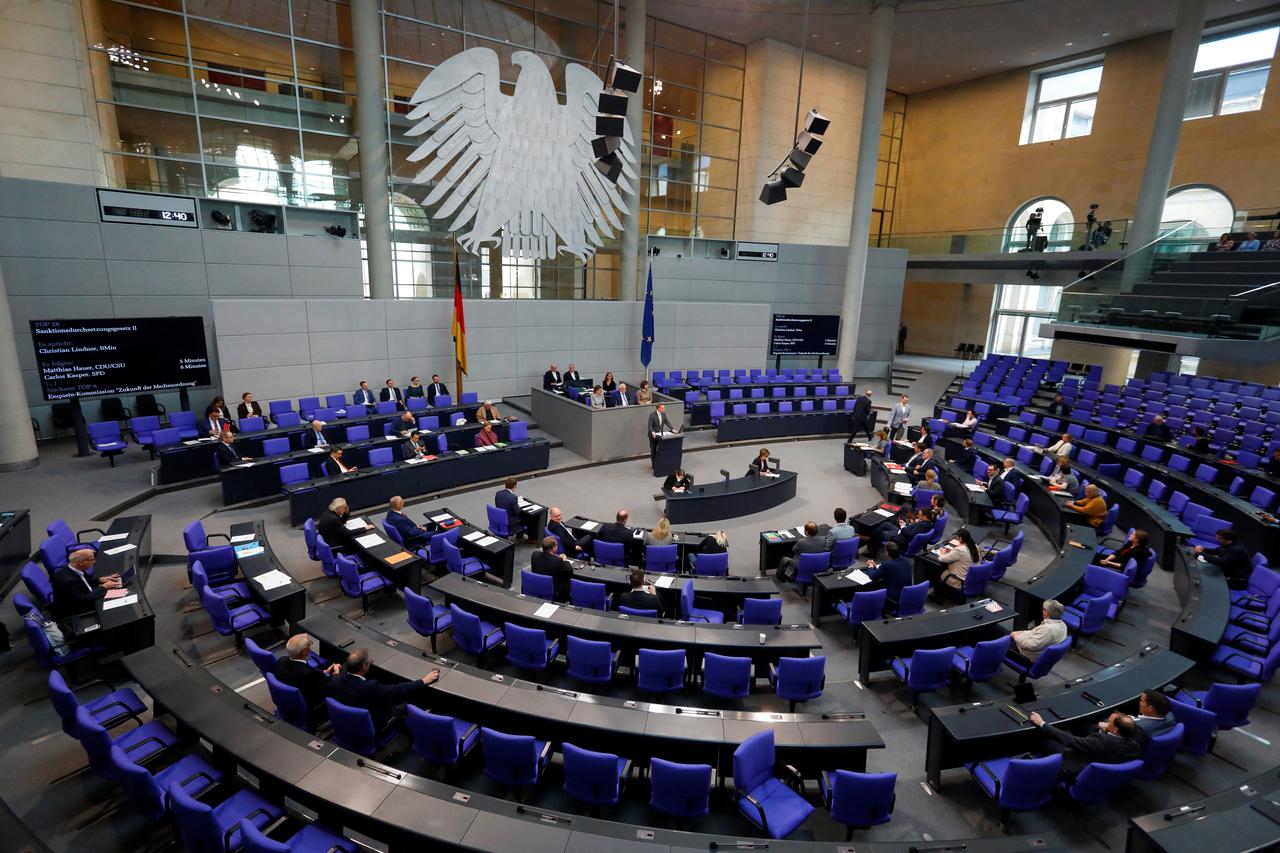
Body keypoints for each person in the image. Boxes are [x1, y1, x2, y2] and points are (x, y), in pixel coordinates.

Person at [326, 648, 438, 732]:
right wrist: (423, 681)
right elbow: (396, 691)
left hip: (348, 721)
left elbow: (343, 669)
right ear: (364, 667)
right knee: (410, 700)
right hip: (375, 722)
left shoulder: (335, 680)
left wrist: (336, 672)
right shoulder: (370, 687)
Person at [1028, 710, 1143, 781]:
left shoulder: (1102, 741)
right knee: (1071, 729)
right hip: (1102, 762)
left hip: (1074, 765)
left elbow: (1071, 741)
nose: (1106, 722)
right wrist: (1105, 730)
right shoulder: (1134, 745)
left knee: (1047, 738)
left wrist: (1042, 724)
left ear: (1115, 730)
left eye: (1109, 722)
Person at [276, 634, 343, 712]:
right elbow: (330, 688)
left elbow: (307, 670)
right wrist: (336, 672)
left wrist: (326, 671)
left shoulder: (281, 660)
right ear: (304, 652)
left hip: (288, 699)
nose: (311, 645)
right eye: (309, 644)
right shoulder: (308, 674)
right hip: (311, 704)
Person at [51, 548, 120, 621]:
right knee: (118, 606)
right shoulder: (69, 581)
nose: (94, 562)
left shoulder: (72, 568)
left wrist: (99, 580)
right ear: (82, 563)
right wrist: (104, 587)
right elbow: (83, 601)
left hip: (81, 600)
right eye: (92, 559)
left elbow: (83, 581)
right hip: (74, 614)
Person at [864, 541, 913, 607]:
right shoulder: (906, 561)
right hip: (906, 596)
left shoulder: (887, 565)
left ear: (887, 552)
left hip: (891, 599)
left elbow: (872, 576)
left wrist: (870, 566)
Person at [530, 536, 572, 601]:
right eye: (557, 545)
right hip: (551, 590)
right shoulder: (557, 561)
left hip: (536, 586)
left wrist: (555, 557)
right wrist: (565, 560)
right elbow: (569, 570)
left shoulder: (535, 554)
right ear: (553, 548)